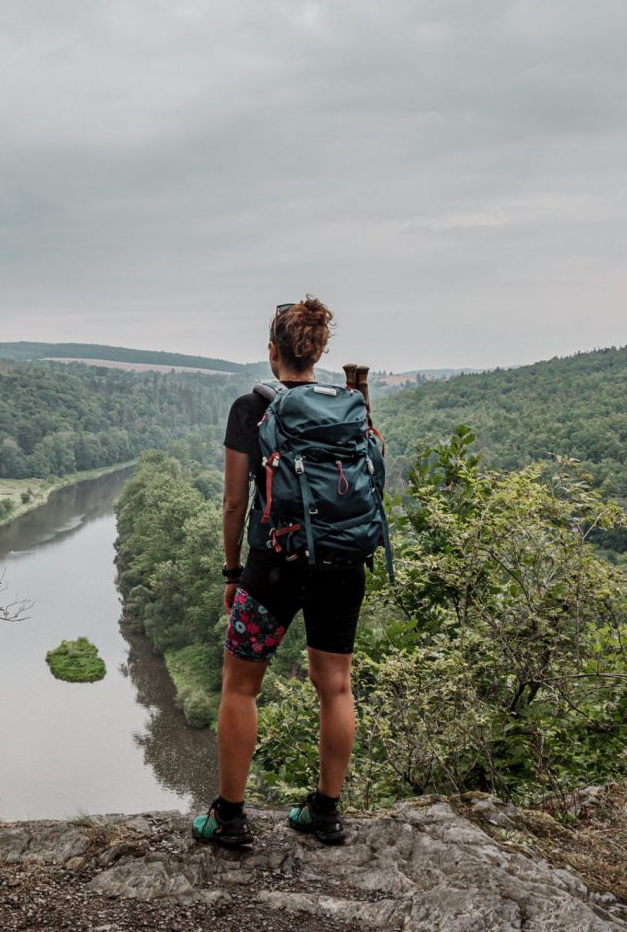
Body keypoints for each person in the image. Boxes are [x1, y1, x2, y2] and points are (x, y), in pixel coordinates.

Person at [191, 296, 362, 849]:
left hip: (274, 566)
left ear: (272, 352)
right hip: (342, 564)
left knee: (240, 687)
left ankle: (231, 818)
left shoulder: (251, 407)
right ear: (318, 352)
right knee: (336, 687)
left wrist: (232, 571)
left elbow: (234, 504)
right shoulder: (350, 404)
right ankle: (327, 812)